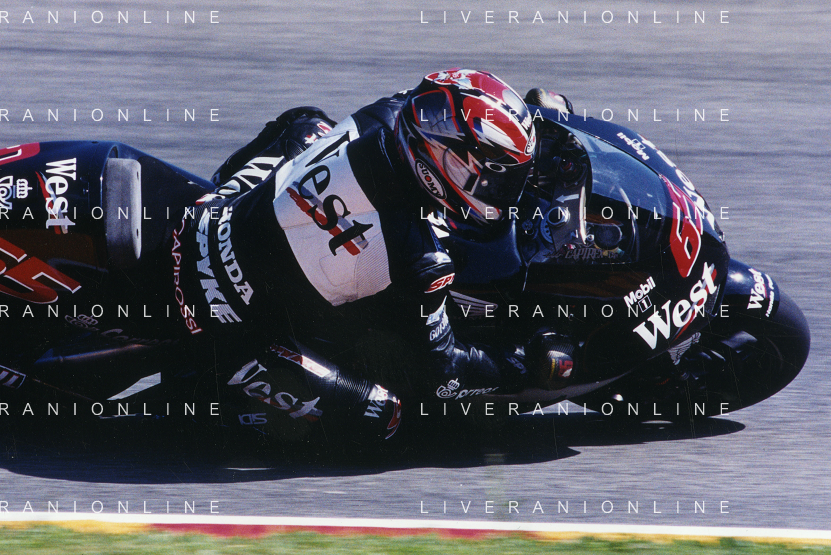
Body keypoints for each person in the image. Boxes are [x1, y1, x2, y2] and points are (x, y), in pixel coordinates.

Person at [172, 69, 567, 446]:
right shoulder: (422, 258)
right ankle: (215, 401)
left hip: (207, 219)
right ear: (443, 162)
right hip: (226, 327)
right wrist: (520, 364)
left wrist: (541, 121)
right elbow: (444, 374)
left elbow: (460, 116)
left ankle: (218, 194)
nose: (504, 190)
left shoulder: (391, 112)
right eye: (497, 178)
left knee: (306, 124)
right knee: (382, 414)